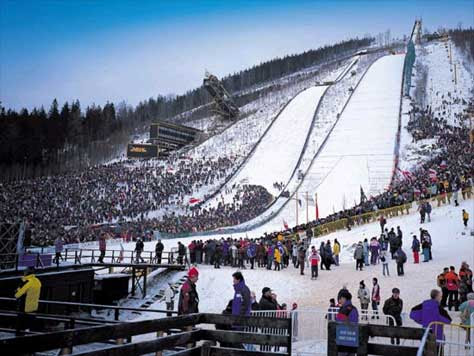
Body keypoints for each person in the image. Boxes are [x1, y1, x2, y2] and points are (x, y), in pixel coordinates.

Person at [14, 267, 42, 336]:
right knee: (30, 326)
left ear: (27, 273)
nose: (23, 272)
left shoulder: (27, 282)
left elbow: (17, 295)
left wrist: (19, 286)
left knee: (20, 327)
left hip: (24, 307)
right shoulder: (37, 281)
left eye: (25, 271)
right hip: (33, 307)